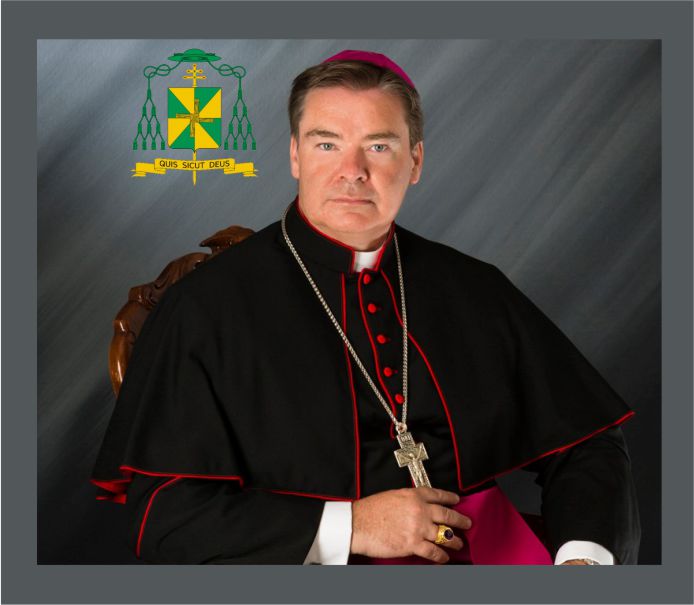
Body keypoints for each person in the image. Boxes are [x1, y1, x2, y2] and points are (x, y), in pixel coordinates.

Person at [91, 50, 641, 565]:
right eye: (327, 144)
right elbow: (165, 518)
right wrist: (350, 526)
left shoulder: (472, 287)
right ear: (295, 155)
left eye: (379, 146)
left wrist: (583, 561)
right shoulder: (206, 307)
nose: (352, 170)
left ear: (415, 161)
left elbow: (587, 443)